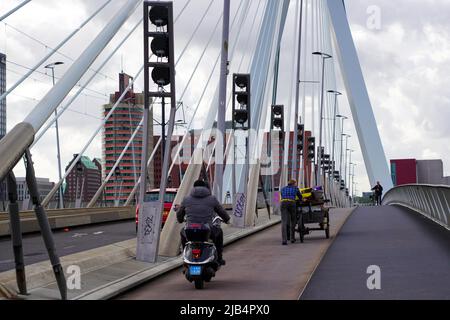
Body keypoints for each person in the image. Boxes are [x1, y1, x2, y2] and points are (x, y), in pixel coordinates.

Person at [176, 180, 231, 266]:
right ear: (206, 188)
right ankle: (219, 258)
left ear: (193, 188)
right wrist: (227, 219)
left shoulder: (186, 199)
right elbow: (221, 211)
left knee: (182, 233)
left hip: (190, 229)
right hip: (207, 229)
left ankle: (185, 255)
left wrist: (180, 219)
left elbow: (179, 213)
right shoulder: (212, 199)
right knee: (219, 232)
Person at [280, 179, 302, 245]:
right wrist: (301, 199)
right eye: (296, 183)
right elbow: (300, 197)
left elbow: (281, 195)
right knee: (293, 220)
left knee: (284, 221)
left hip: (283, 203)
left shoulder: (283, 188)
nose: (296, 184)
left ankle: (284, 240)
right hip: (292, 203)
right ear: (294, 184)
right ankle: (292, 238)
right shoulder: (296, 188)